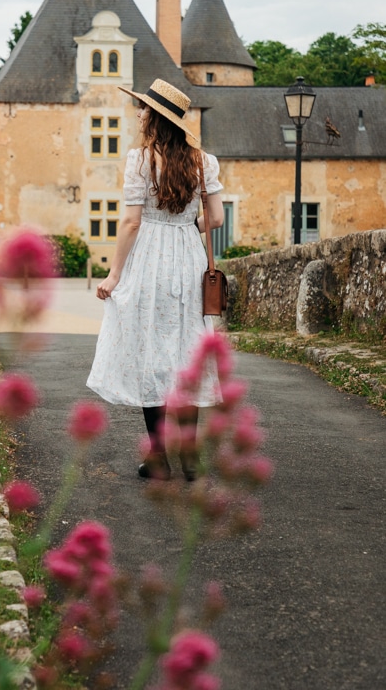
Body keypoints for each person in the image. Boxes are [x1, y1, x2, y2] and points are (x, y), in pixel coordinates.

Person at [86, 78, 224, 480]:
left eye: (144, 108)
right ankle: (191, 458)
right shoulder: (205, 162)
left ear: (156, 119)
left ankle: (159, 458)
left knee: (152, 354)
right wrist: (183, 227)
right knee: (186, 351)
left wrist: (114, 275)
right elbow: (215, 219)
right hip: (188, 259)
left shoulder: (141, 160)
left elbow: (130, 222)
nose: (139, 113)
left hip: (148, 259)